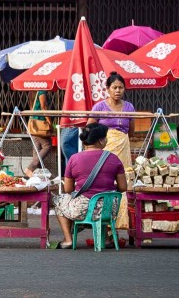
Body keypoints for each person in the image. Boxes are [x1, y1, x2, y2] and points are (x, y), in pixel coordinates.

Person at [53, 123, 127, 249]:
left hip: (83, 210)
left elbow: (68, 190)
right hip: (109, 210)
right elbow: (123, 187)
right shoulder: (114, 159)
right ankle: (106, 238)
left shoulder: (74, 159)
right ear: (101, 140)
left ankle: (68, 240)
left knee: (59, 200)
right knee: (103, 199)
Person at [86, 72, 135, 230]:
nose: (118, 90)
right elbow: (89, 128)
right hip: (105, 146)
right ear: (108, 89)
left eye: (121, 87)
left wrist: (120, 137)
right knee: (106, 181)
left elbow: (131, 130)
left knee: (122, 182)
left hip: (123, 147)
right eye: (114, 87)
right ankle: (103, 224)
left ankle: (121, 222)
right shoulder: (99, 107)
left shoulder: (129, 107)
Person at [25, 91, 53, 177]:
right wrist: (49, 121)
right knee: (47, 145)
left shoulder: (32, 91)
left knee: (36, 150)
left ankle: (35, 174)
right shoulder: (41, 91)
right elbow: (43, 106)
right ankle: (30, 168)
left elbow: (31, 106)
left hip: (33, 123)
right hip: (40, 123)